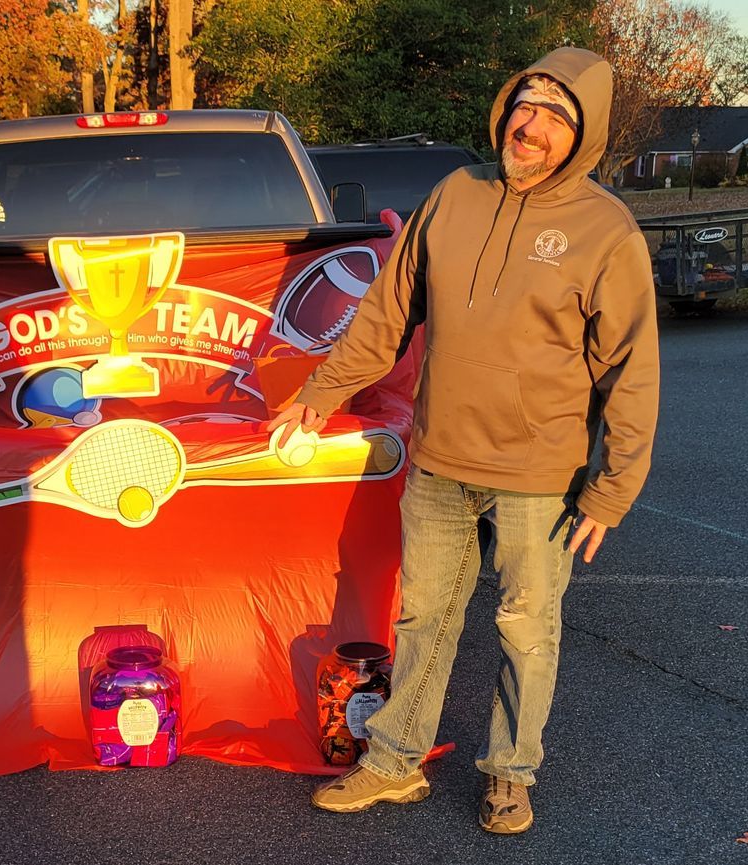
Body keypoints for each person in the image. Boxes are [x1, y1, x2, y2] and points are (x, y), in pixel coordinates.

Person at [269, 47, 660, 833]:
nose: (531, 124)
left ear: (581, 135)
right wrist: (322, 390)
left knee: (527, 630)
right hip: (441, 460)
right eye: (526, 104)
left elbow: (632, 368)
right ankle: (394, 762)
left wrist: (612, 488)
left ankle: (510, 774)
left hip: (539, 475)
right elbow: (387, 311)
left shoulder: (606, 231)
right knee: (424, 620)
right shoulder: (455, 194)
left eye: (555, 115)